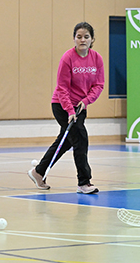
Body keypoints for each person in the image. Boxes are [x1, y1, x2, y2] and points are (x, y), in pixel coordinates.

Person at [28, 22, 104, 194]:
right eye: (79, 36)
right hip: (62, 105)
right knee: (81, 138)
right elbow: (62, 88)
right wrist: (69, 111)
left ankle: (38, 172)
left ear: (92, 39)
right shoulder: (68, 58)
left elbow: (99, 85)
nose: (82, 40)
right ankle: (84, 182)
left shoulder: (97, 58)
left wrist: (86, 101)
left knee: (66, 141)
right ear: (74, 39)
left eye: (86, 36)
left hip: (80, 106)